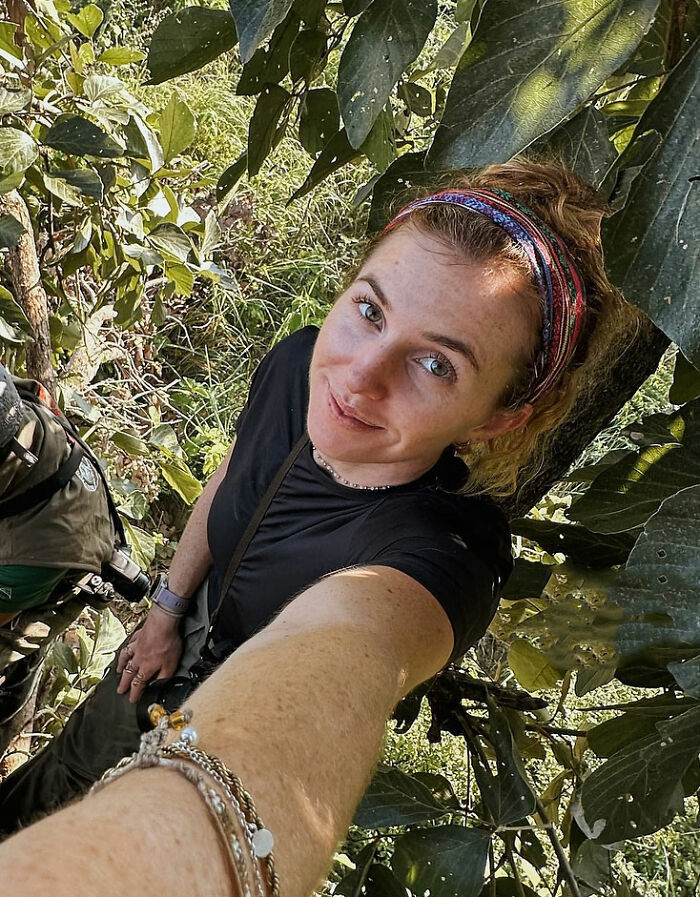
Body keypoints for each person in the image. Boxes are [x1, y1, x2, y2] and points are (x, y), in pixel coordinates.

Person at [0, 158, 622, 879]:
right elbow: (233, 476)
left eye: (438, 365)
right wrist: (167, 612)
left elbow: (354, 644)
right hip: (175, 645)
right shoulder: (299, 364)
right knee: (64, 769)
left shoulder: (448, 549)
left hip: (234, 702)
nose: (359, 375)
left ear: (500, 417)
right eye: (370, 310)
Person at [0, 365, 128, 754]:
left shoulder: (36, 555)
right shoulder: (16, 400)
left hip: (53, 571)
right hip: (36, 510)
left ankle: (9, 717)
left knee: (20, 644)